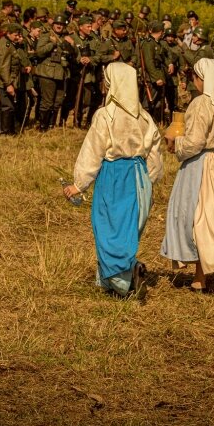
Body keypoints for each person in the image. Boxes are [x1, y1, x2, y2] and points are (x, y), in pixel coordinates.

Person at [63, 62, 163, 298]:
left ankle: (123, 283)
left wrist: (79, 184)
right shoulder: (146, 118)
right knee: (127, 228)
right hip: (139, 177)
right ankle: (121, 275)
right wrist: (150, 180)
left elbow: (92, 150)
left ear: (113, 84)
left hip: (114, 175)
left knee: (108, 227)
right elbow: (155, 155)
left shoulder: (105, 116)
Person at [160, 58, 214, 292]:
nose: (194, 82)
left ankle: (201, 277)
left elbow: (195, 142)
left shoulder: (202, 104)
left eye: (196, 78)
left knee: (200, 219)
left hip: (204, 165)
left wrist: (174, 143)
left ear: (205, 80)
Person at [64, 15, 101, 128]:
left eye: (91, 26)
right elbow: (67, 55)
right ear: (80, 27)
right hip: (74, 75)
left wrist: (90, 59)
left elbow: (99, 56)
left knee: (86, 100)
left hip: (88, 75)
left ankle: (82, 122)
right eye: (88, 26)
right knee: (73, 99)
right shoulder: (72, 38)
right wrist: (78, 59)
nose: (91, 28)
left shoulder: (94, 40)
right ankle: (67, 121)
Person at [35, 14, 70, 131]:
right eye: (57, 24)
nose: (59, 26)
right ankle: (43, 126)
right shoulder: (46, 36)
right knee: (47, 102)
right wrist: (52, 44)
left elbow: (73, 54)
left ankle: (51, 124)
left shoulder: (67, 37)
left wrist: (72, 45)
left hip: (62, 73)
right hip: (47, 72)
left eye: (61, 24)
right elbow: (39, 52)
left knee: (58, 101)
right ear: (53, 24)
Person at [0, 23, 25, 135]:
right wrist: (8, 84)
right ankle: (5, 132)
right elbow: (4, 67)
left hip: (6, 80)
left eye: (19, 35)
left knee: (2, 104)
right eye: (16, 35)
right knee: (7, 106)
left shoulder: (10, 43)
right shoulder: (6, 46)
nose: (18, 37)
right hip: (3, 81)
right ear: (8, 34)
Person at [140, 21, 172, 124]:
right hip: (151, 78)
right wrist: (156, 78)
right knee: (148, 103)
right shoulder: (148, 43)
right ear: (161, 31)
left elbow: (162, 57)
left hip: (159, 75)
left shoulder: (157, 43)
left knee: (157, 103)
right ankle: (144, 124)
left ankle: (153, 123)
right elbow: (149, 63)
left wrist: (169, 64)